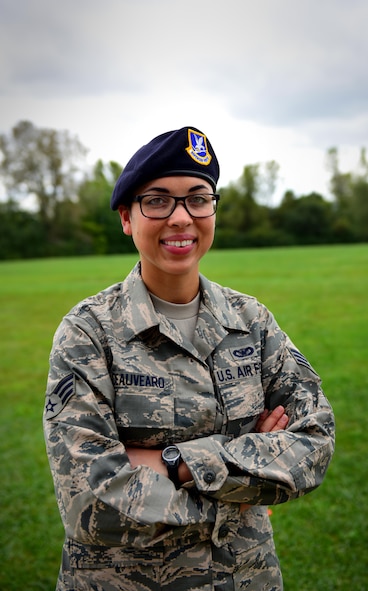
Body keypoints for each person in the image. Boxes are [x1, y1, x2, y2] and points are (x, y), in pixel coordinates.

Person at [44, 126, 335, 591]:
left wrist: (174, 462)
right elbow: (89, 502)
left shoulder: (251, 321)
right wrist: (241, 487)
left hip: (247, 578)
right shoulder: (88, 332)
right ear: (126, 217)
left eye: (198, 198)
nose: (181, 217)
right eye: (157, 201)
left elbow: (315, 441)